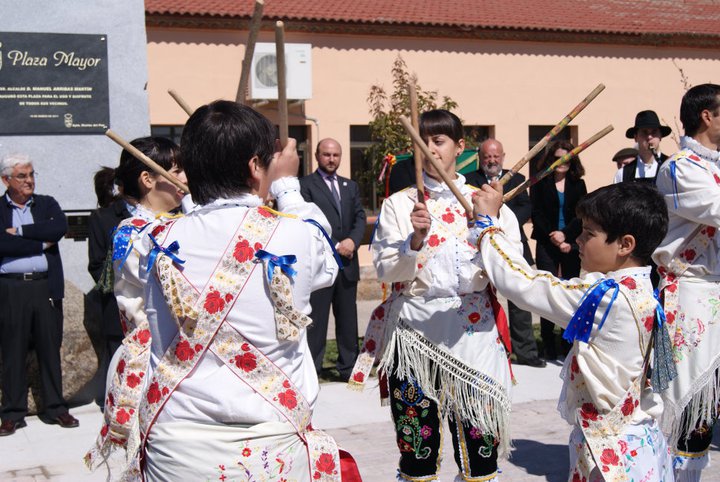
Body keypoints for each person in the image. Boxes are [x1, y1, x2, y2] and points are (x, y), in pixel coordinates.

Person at [98, 101, 354, 481]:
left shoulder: (147, 239)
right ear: (255, 166)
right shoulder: (296, 233)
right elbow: (323, 247)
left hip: (174, 446)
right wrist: (285, 186)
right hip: (269, 444)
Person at [470, 181, 674, 481]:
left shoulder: (606, 297)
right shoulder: (642, 288)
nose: (578, 240)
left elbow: (525, 284)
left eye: (589, 233)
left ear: (625, 244)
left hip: (612, 456)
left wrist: (488, 226)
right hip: (635, 443)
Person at [354, 110, 519, 481]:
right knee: (417, 450)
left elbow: (514, 271)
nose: (429, 149)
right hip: (415, 338)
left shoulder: (486, 202)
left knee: (480, 451)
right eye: (421, 142)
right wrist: (413, 241)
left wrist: (488, 230)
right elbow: (384, 269)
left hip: (474, 339)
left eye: (439, 141)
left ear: (461, 148)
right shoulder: (401, 204)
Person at [85, 137, 187, 468]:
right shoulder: (132, 232)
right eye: (176, 170)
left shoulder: (174, 224)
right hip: (152, 358)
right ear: (148, 179)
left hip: (180, 354)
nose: (185, 178)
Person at [654, 83, 720, 481]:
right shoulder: (679, 168)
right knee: (686, 400)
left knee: (708, 404)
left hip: (715, 291)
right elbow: (716, 207)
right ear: (706, 116)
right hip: (690, 293)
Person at [0, 153, 77, 436]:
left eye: (32, 174)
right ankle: (12, 413)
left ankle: (56, 408)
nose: (29, 180)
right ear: (6, 180)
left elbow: (58, 228)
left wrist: (18, 232)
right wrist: (38, 244)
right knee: (12, 351)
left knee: (49, 348)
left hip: (45, 286)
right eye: (22, 176)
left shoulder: (46, 203)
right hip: (11, 289)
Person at [466, 139, 545, 367]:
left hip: (512, 246)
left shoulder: (517, 179)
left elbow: (525, 208)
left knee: (520, 300)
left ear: (503, 156)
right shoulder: (470, 182)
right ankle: (487, 350)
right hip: (480, 248)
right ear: (480, 157)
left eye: (496, 156)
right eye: (487, 156)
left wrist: (499, 220)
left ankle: (526, 351)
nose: (491, 160)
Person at [300, 138, 366, 381]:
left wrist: (352, 241)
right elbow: (306, 219)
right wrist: (335, 244)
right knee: (316, 320)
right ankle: (313, 369)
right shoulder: (305, 185)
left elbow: (359, 217)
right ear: (317, 156)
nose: (331, 159)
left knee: (348, 320)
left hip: (348, 264)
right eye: (326, 154)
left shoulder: (350, 186)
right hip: (321, 263)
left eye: (335, 155)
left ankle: (348, 367)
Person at [531, 140, 586, 360]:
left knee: (570, 291)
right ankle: (548, 343)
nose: (561, 163)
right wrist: (554, 235)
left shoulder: (578, 184)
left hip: (571, 243)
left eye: (566, 158)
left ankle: (566, 342)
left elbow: (581, 214)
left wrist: (566, 236)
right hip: (547, 242)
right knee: (548, 290)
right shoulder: (540, 183)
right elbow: (537, 213)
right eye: (557, 158)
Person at [613, 110, 671, 184]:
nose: (649, 137)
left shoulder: (671, 167)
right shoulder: (622, 174)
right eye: (644, 132)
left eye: (654, 132)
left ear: (660, 136)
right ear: (636, 137)